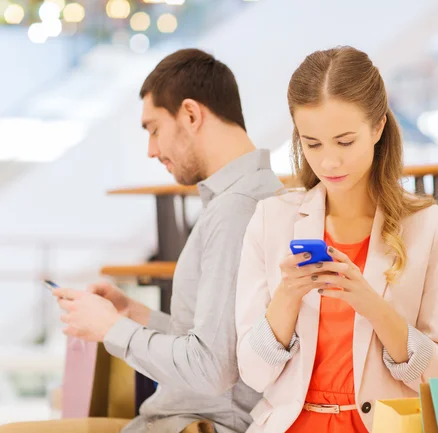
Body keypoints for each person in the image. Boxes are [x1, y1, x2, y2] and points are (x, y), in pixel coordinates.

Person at [1, 49, 281, 433]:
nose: (151, 150)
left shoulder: (236, 210)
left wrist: (111, 330)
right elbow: (223, 346)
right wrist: (135, 315)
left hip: (198, 425)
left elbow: (214, 370)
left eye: (153, 129)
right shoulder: (241, 199)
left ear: (191, 115)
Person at [235, 46, 438, 433]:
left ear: (377, 128)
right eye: (312, 143)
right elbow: (253, 373)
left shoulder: (431, 228)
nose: (329, 163)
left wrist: (372, 305)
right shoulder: (271, 219)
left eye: (344, 142)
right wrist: (288, 296)